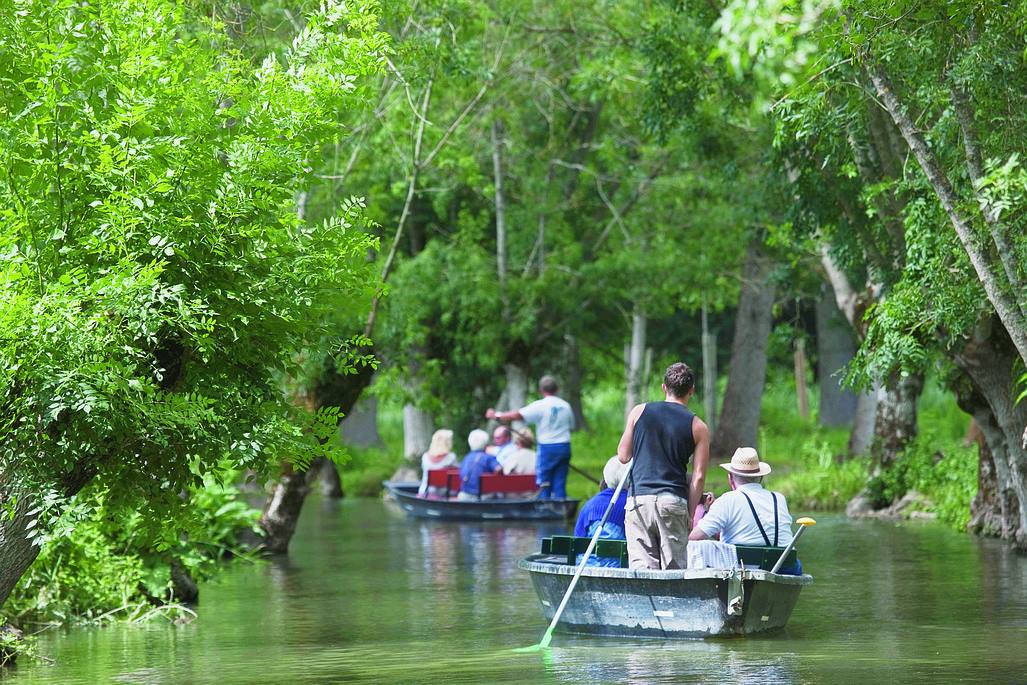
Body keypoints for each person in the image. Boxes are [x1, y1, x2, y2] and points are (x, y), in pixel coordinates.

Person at [617, 362, 710, 570]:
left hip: (638, 500)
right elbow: (699, 477)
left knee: (642, 571)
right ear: (691, 390)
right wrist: (690, 513)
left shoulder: (639, 412)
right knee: (674, 572)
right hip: (672, 501)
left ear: (664, 387)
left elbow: (623, 456)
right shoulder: (698, 426)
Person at [688, 447, 802, 575]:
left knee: (696, 547)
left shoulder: (727, 500)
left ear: (730, 478)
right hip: (786, 567)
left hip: (745, 569)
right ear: (760, 477)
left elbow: (694, 538)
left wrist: (702, 512)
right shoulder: (779, 498)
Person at [486, 376, 574, 499]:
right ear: (557, 389)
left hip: (547, 447)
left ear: (541, 390)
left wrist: (497, 415)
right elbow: (571, 426)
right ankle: (560, 507)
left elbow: (517, 415)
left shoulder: (541, 405)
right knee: (560, 480)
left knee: (544, 481)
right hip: (564, 446)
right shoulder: (566, 406)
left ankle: (545, 506)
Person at [571, 457, 630, 567]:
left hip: (586, 566)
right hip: (618, 566)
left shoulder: (589, 505)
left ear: (606, 478)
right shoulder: (631, 503)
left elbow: (578, 539)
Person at [457, 429, 501, 501]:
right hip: (484, 497)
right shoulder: (488, 457)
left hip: (465, 495)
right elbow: (498, 469)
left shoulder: (467, 458)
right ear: (486, 444)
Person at [417, 429, 458, 497]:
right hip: (443, 494)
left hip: (424, 493)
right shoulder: (451, 458)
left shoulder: (425, 457)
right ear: (447, 443)